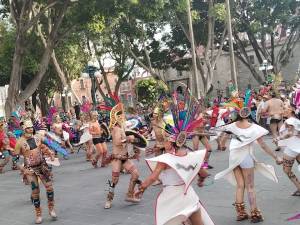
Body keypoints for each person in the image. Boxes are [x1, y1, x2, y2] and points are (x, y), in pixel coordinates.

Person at [135, 88, 215, 225]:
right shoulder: (189, 155)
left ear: (172, 143)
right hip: (189, 196)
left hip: (172, 199)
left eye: (166, 140)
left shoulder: (165, 159)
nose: (164, 142)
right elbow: (202, 172)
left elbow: (153, 177)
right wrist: (201, 180)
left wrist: (141, 188)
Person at [215, 101, 282, 223]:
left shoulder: (232, 126)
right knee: (250, 187)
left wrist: (222, 145)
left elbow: (223, 139)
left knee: (240, 186)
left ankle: (241, 214)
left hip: (234, 157)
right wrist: (275, 157)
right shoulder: (255, 128)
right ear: (248, 114)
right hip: (246, 158)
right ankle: (255, 214)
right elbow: (263, 145)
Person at [14, 120, 57, 224]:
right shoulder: (19, 142)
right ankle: (38, 214)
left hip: (42, 166)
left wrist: (50, 152)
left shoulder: (37, 137)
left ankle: (51, 209)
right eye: (28, 128)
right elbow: (15, 160)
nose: (31, 129)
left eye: (32, 127)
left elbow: (44, 146)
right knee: (35, 191)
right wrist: (23, 169)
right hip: (30, 169)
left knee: (49, 187)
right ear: (23, 130)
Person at [104, 103, 142, 209]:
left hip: (124, 158)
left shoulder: (123, 127)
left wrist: (135, 142)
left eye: (123, 115)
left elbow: (129, 139)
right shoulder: (116, 128)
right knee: (115, 180)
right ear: (117, 118)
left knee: (135, 174)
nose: (123, 117)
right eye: (121, 116)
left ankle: (129, 195)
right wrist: (128, 139)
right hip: (117, 158)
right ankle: (109, 199)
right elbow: (117, 142)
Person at [276, 116, 300, 196]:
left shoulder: (291, 121)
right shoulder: (294, 120)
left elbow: (290, 133)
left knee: (286, 170)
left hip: (292, 149)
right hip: (295, 147)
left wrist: (278, 139)